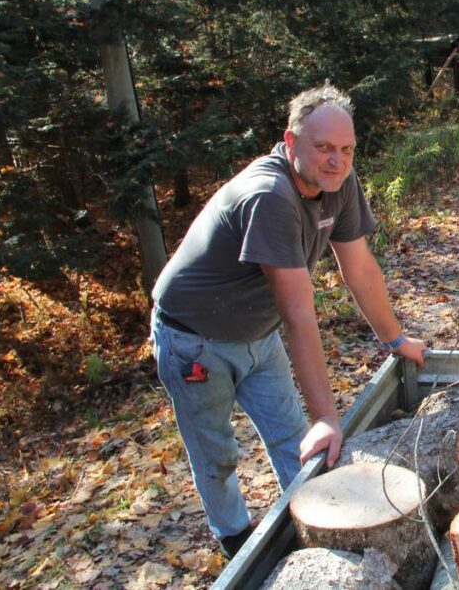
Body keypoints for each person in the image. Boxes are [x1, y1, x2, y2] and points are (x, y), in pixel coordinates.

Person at [150, 83, 427, 557]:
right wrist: (327, 415)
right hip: (194, 339)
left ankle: (315, 528)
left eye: (346, 149)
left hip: (258, 332)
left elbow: (359, 269)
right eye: (323, 148)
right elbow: (298, 311)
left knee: (294, 440)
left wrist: (395, 338)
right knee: (217, 453)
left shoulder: (338, 183)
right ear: (291, 140)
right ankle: (236, 543)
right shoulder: (270, 196)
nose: (336, 160)